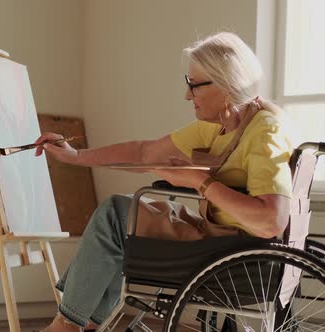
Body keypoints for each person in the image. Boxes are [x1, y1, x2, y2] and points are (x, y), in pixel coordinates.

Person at [36, 31, 292, 332]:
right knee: (120, 213)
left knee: (115, 216)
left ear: (225, 85)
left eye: (193, 85)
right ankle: (86, 322)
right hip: (219, 237)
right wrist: (75, 156)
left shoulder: (265, 133)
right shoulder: (221, 127)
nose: (187, 95)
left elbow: (271, 221)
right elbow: (144, 152)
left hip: (234, 253)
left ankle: (67, 325)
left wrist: (198, 180)